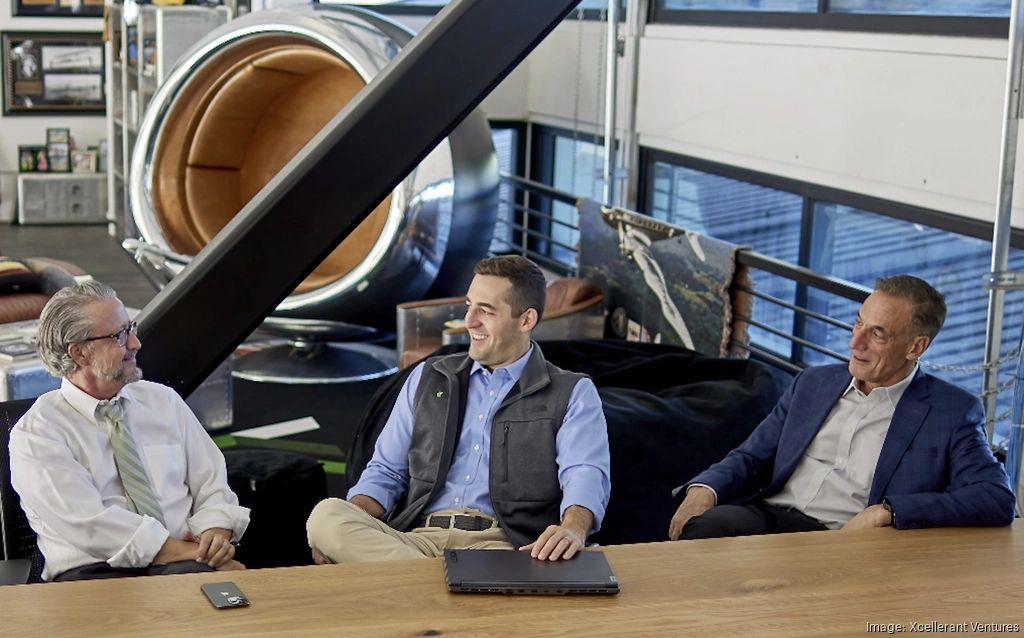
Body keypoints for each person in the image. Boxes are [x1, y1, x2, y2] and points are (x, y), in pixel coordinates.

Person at [307, 256, 610, 563]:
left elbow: (584, 473)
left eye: (486, 311)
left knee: (516, 568)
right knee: (326, 515)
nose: (469, 320)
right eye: (469, 305)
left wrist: (573, 528)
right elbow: (385, 471)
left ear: (526, 320)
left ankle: (419, 586)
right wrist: (349, 525)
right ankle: (445, 587)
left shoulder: (572, 392)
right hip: (415, 543)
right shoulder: (427, 377)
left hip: (505, 548)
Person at [668, 274, 1015, 541]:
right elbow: (752, 456)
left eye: (877, 334)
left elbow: (996, 498)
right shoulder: (813, 383)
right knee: (706, 529)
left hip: (843, 539)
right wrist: (705, 489)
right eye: (858, 323)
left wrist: (889, 512)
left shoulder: (950, 411)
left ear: (915, 347)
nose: (855, 342)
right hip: (770, 516)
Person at [9, 281, 250, 581]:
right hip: (95, 573)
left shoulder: (163, 401)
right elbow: (90, 526)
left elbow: (212, 482)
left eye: (130, 328)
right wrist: (193, 553)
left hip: (188, 561)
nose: (136, 343)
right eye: (119, 335)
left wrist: (215, 534)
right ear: (79, 353)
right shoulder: (37, 435)